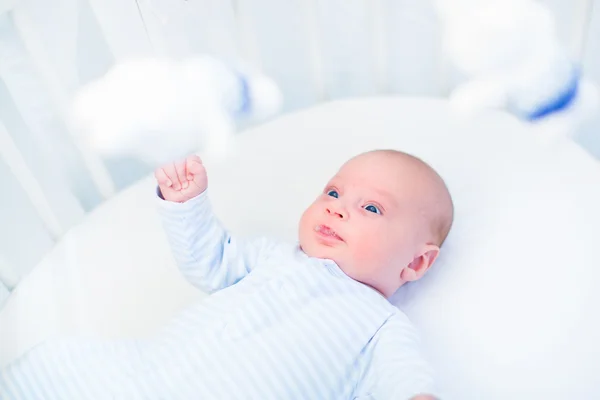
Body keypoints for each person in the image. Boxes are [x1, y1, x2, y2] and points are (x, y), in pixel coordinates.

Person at [0, 149, 452, 400]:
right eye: (333, 191)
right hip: (142, 379)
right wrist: (186, 205)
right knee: (58, 365)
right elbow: (209, 258)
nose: (336, 206)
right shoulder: (275, 258)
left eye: (370, 208)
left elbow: (404, 381)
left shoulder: (381, 326)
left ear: (416, 263)